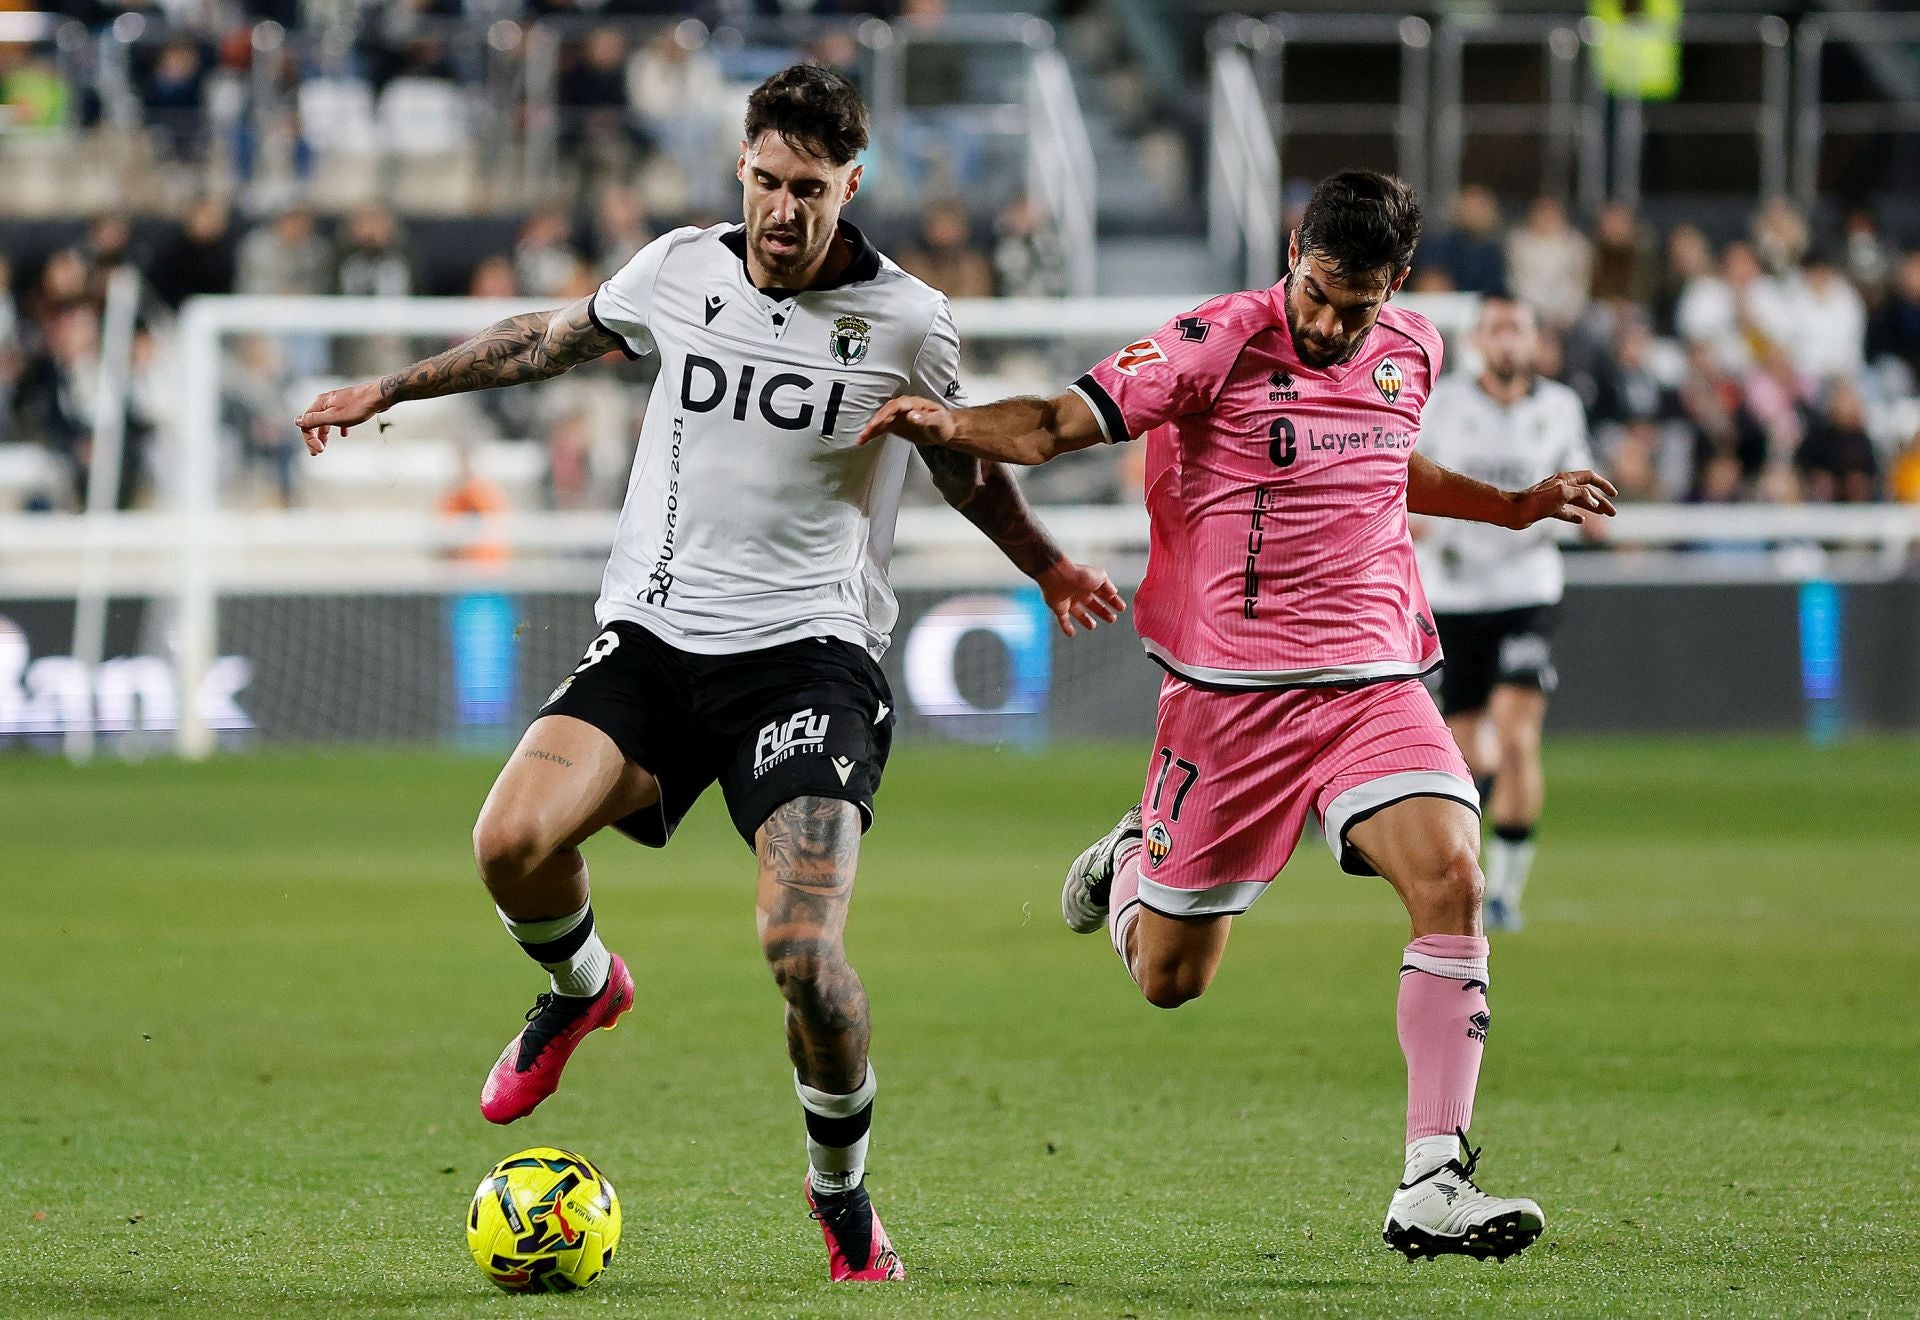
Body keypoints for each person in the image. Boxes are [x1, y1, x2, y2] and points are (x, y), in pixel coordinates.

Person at [295, 64, 1123, 1283]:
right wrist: (390, 390)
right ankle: (582, 987)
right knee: (507, 845)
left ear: (854, 183)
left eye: (811, 190)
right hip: (654, 639)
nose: (784, 213)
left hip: (809, 666)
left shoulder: (908, 321)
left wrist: (1046, 568)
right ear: (742, 167)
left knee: (804, 955)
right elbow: (546, 339)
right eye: (766, 182)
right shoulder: (681, 267)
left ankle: (841, 1197)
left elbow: (963, 469)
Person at [863, 171, 1616, 1262]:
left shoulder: (1412, 351)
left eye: (1355, 305)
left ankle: (1432, 1176)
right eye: (1315, 292)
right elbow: (1055, 424)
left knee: (1454, 873)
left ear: (1394, 288)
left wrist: (1510, 505)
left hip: (1373, 679)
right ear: (1292, 253)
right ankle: (1132, 860)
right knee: (1173, 979)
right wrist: (949, 419)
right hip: (1228, 704)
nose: (1327, 322)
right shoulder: (1212, 340)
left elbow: (1385, 464)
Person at [1413, 294, 1601, 932]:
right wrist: (1418, 525)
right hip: (1457, 595)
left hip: (1529, 589)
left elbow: (1584, 482)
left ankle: (1506, 896)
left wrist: (1594, 512)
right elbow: (1405, 482)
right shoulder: (1442, 405)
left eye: (1516, 327)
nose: (1506, 339)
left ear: (1533, 339)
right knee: (1469, 752)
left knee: (1518, 736)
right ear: (1478, 341)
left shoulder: (1559, 408)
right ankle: (1473, 865)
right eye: (1495, 328)